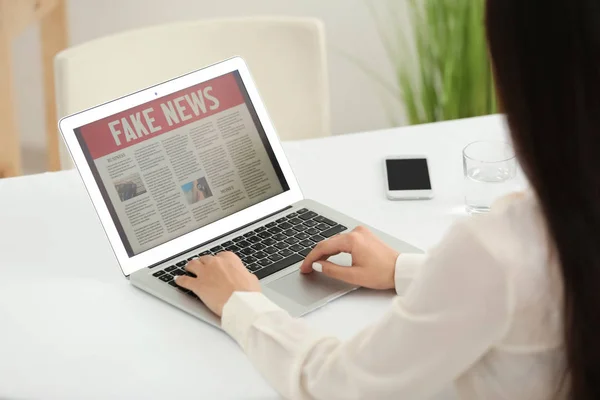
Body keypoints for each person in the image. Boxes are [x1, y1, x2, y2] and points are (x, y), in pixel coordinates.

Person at [175, 1, 600, 398]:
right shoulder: (554, 228)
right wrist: (404, 270)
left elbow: (333, 384)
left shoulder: (497, 249)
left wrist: (241, 304)